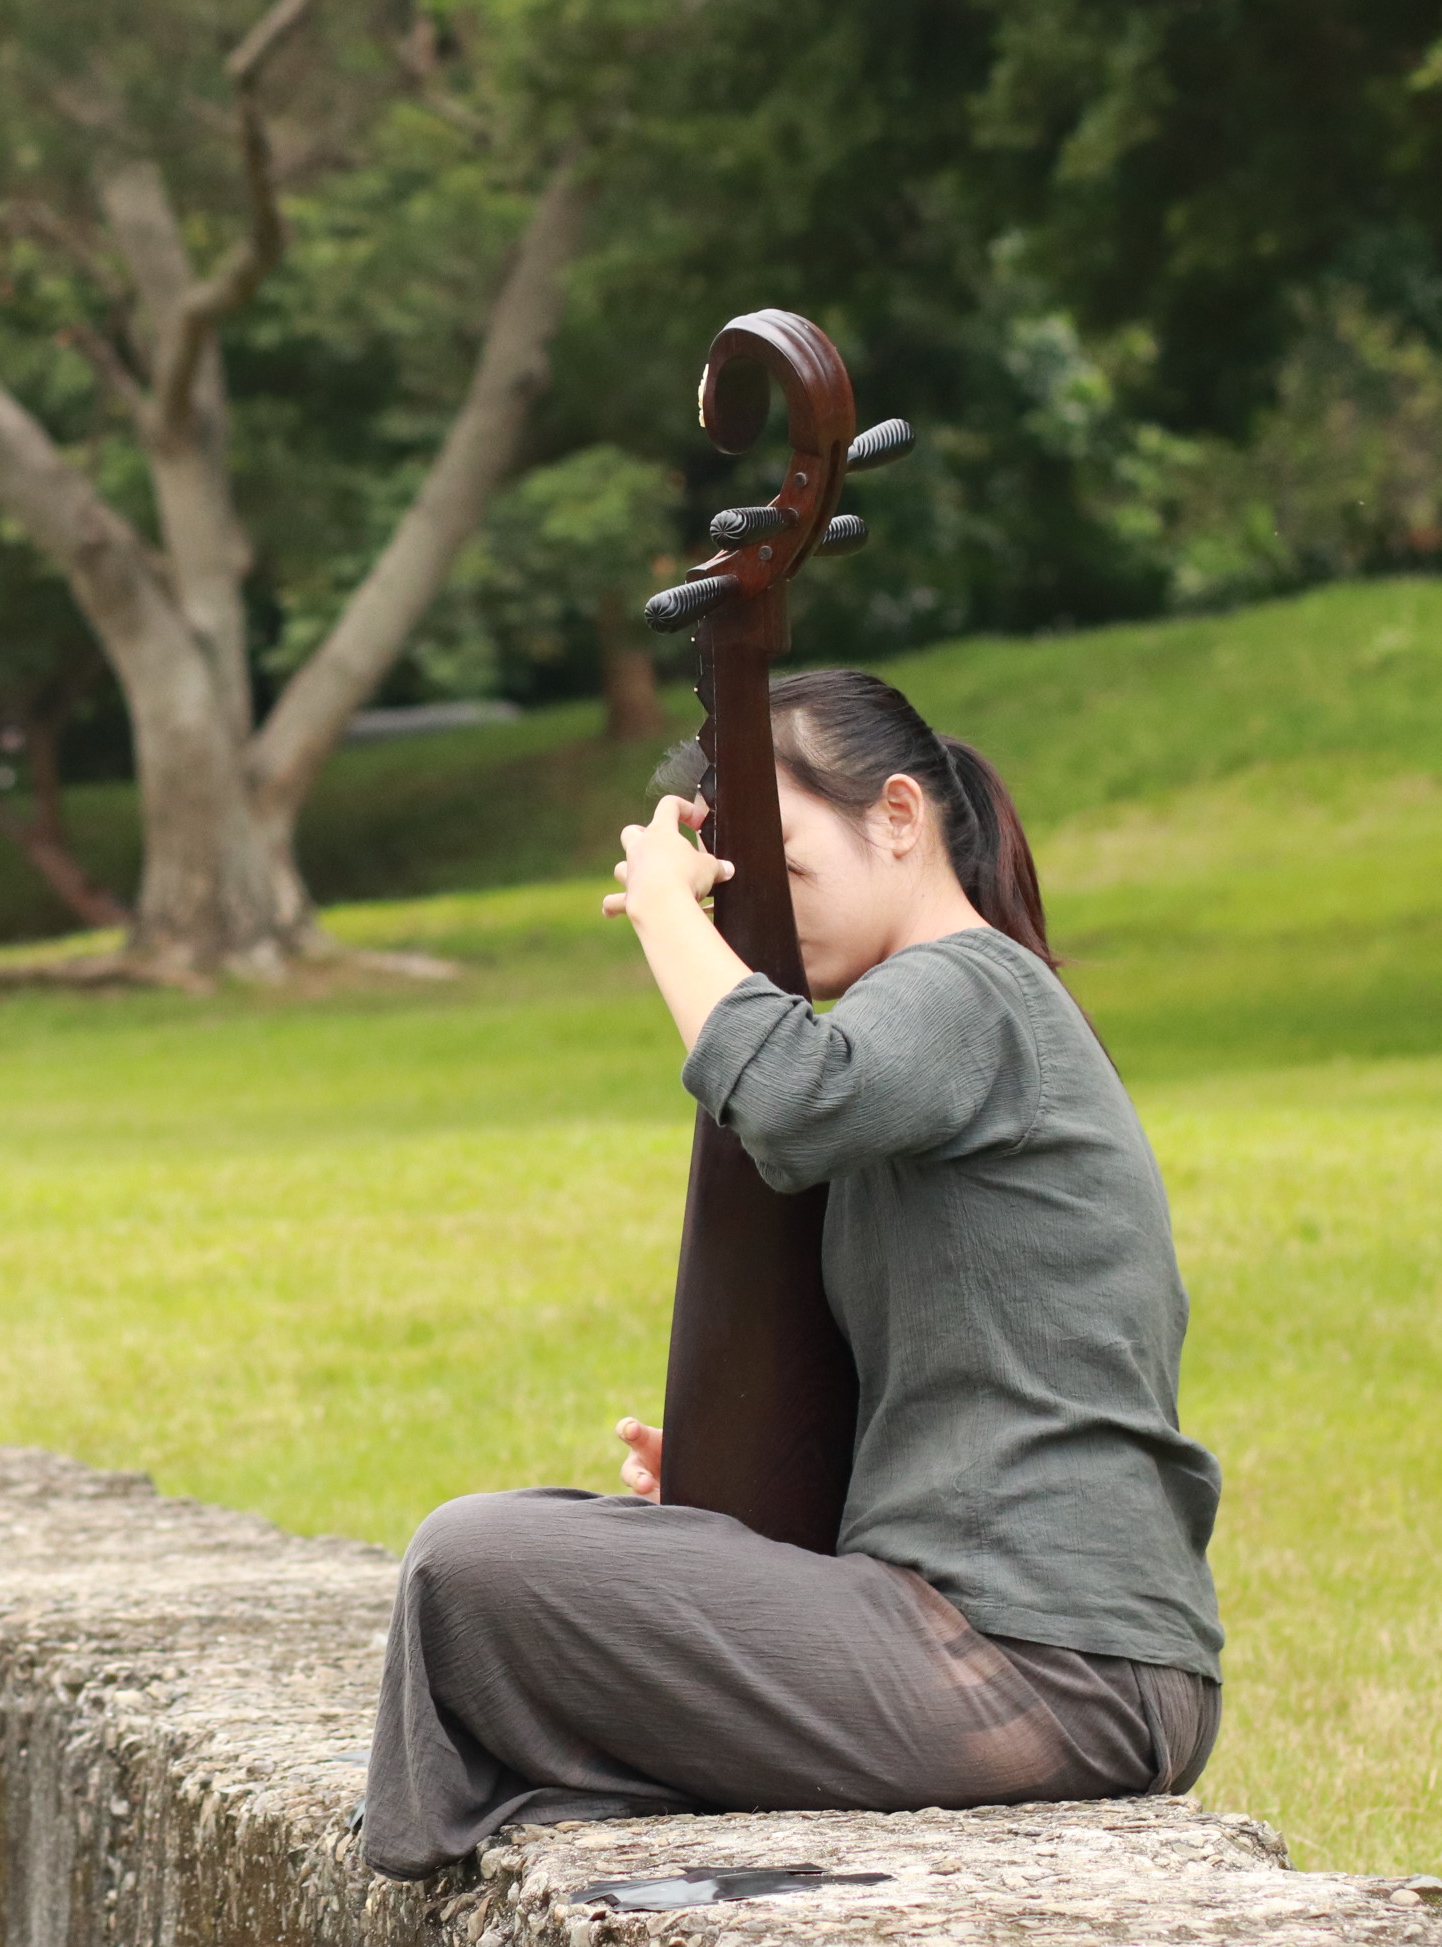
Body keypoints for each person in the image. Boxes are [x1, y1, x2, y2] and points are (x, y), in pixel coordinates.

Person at [360, 670, 1224, 1880]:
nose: (765, 920)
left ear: (900, 819)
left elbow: (790, 1095)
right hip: (1036, 1654)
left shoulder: (967, 989)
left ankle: (422, 1861)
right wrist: (745, 1496)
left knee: (468, 1561)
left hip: (1051, 1668)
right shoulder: (930, 1033)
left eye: (788, 873)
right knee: (547, 1547)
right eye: (743, 892)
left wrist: (673, 915)